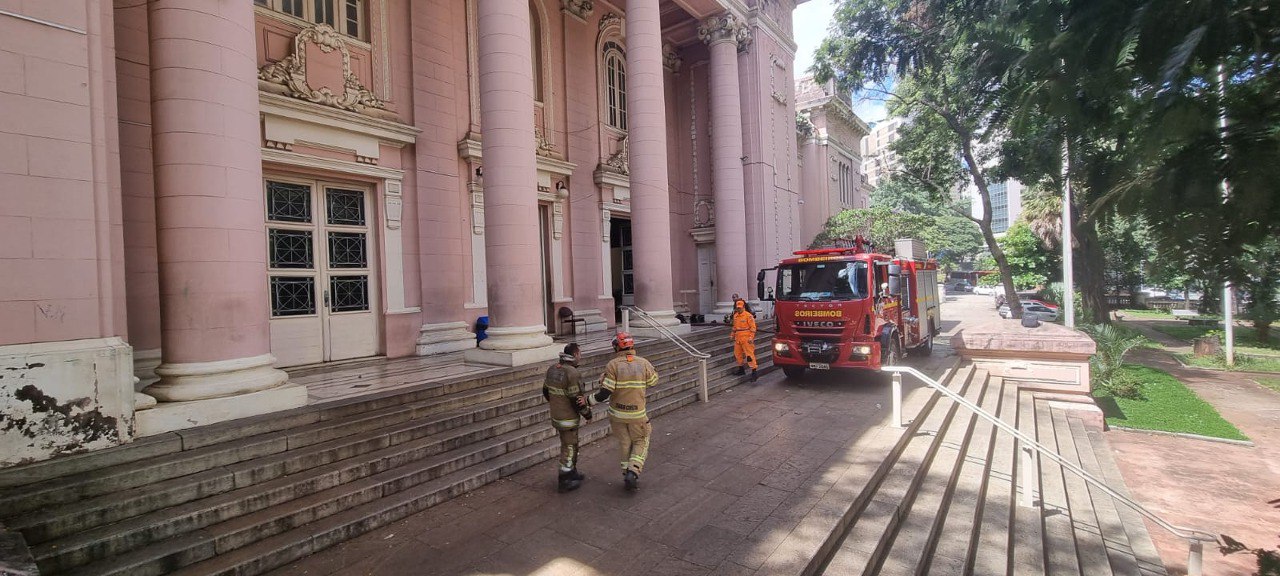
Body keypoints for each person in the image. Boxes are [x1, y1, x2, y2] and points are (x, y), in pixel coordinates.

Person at [578, 332, 658, 492]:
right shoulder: (643, 363)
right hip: (637, 415)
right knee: (641, 440)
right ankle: (633, 472)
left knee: (625, 442)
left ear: (617, 347)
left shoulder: (612, 365)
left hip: (617, 415)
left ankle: (625, 472)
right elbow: (653, 381)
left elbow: (604, 393)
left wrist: (588, 401)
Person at [543, 343, 591, 492]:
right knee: (569, 447)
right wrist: (587, 413)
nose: (580, 357)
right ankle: (564, 479)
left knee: (570, 444)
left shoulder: (552, 369)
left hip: (557, 415)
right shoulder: (572, 373)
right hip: (568, 417)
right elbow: (576, 397)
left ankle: (572, 472)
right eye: (580, 354)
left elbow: (545, 391)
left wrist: (557, 404)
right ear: (575, 355)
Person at [730, 299, 758, 381]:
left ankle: (754, 372)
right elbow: (734, 327)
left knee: (749, 355)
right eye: (737, 308)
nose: (738, 309)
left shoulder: (748, 316)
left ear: (743, 307)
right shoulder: (735, 316)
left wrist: (751, 337)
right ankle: (741, 369)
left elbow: (753, 328)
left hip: (746, 338)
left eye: (740, 308)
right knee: (737, 354)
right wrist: (732, 335)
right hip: (738, 338)